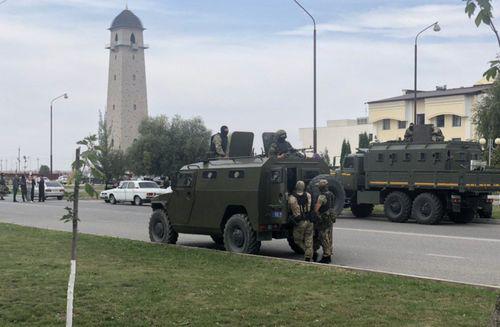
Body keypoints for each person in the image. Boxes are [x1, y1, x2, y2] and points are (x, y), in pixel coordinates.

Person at [288, 181, 314, 262]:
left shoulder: (292, 198)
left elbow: (293, 209)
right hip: (309, 220)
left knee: (297, 240)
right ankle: (309, 255)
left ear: (296, 187)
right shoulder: (308, 195)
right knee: (309, 239)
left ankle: (308, 252)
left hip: (300, 222)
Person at [313, 179, 336, 264]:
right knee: (329, 237)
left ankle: (326, 257)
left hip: (323, 220)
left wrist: (316, 214)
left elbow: (316, 209)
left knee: (324, 237)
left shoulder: (322, 196)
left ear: (321, 187)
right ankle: (329, 253)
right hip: (330, 218)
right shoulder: (331, 194)